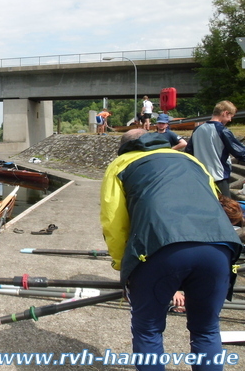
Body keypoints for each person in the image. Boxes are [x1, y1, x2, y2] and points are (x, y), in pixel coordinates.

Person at [101, 129, 242, 371]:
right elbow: (213, 198)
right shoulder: (191, 160)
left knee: (149, 329)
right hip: (219, 246)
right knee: (207, 330)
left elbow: (114, 222)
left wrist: (123, 267)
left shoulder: (120, 164)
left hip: (161, 247)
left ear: (123, 147)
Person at [184, 100, 245, 196]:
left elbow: (188, 152)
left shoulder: (198, 129)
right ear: (225, 113)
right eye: (230, 117)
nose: (230, 120)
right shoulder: (222, 131)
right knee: (226, 207)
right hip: (219, 177)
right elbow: (240, 152)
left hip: (202, 177)